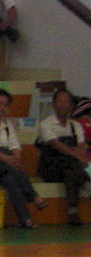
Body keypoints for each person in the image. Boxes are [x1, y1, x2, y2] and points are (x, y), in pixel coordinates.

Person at [0, 88, 47, 228]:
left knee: (11, 182)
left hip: (5, 164)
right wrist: (7, 159)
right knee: (6, 164)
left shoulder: (7, 125)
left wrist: (15, 157)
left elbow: (14, 144)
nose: (2, 107)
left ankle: (26, 219)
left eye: (5, 104)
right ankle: (34, 196)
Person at [36, 88, 89, 226]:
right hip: (50, 168)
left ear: (72, 105)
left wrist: (79, 154)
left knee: (72, 169)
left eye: (67, 102)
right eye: (60, 101)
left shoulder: (75, 125)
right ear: (53, 104)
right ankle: (73, 209)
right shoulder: (46, 124)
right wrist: (77, 155)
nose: (63, 105)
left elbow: (81, 145)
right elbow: (56, 144)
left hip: (70, 166)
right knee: (74, 166)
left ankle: (73, 210)